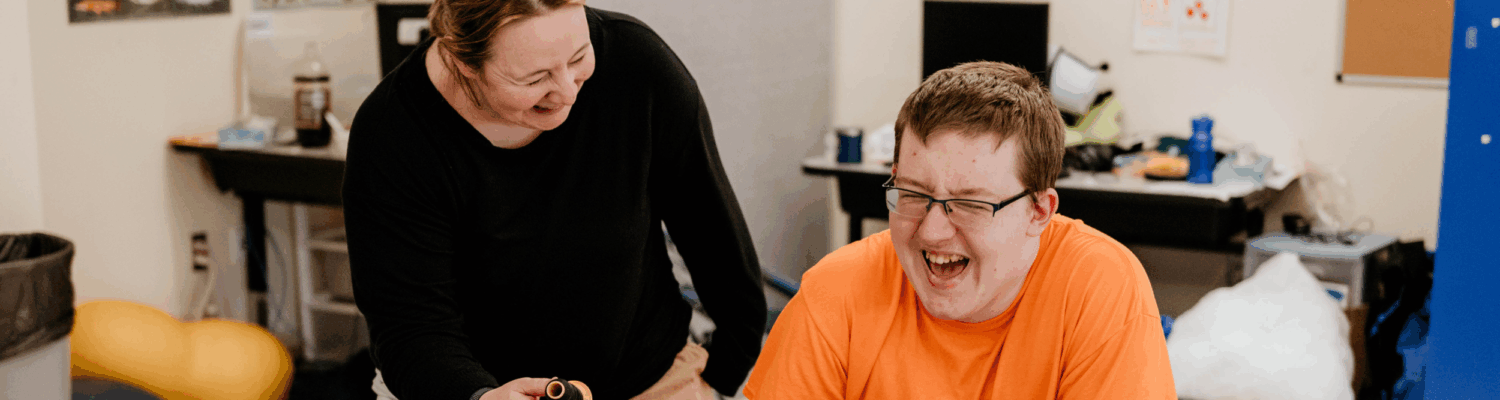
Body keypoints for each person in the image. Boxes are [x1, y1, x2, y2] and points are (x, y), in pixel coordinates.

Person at [341, 1, 767, 399]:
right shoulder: (393, 137)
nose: (567, 91)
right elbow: (411, 328)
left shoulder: (636, 62)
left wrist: (721, 379)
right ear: (462, 61)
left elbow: (716, 239)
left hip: (652, 375)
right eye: (535, 78)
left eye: (580, 57)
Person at [743, 62, 1175, 399]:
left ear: (1038, 211)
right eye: (912, 194)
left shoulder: (1099, 287)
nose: (931, 232)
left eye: (970, 204)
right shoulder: (834, 292)